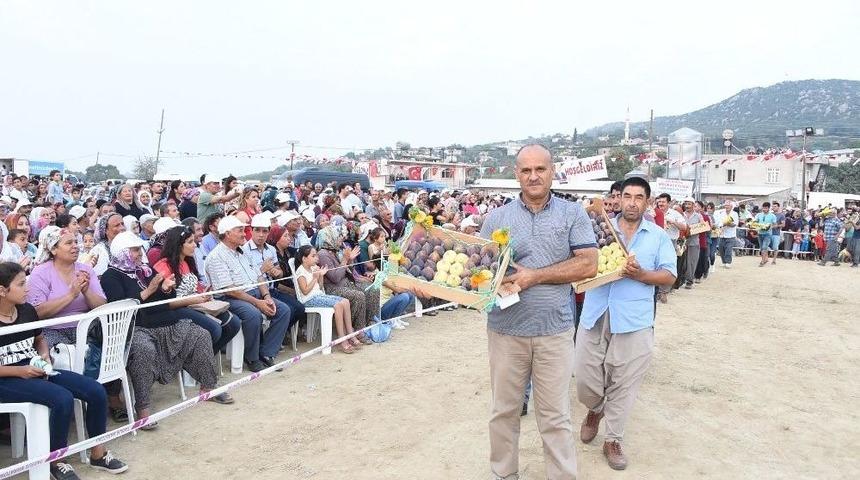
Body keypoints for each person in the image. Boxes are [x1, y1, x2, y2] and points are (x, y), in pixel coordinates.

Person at [479, 144, 598, 480]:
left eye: (540, 169)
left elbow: (589, 263)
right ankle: (503, 474)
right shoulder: (497, 218)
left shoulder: (572, 214)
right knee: (504, 411)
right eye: (526, 170)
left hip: (555, 331)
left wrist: (534, 276)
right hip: (505, 331)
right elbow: (480, 267)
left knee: (555, 416)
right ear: (516, 173)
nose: (533, 176)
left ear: (552, 171)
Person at [575, 177, 677, 471]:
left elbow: (669, 276)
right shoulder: (600, 227)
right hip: (595, 312)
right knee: (583, 376)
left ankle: (613, 439)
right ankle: (594, 409)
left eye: (638, 197)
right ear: (619, 199)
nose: (631, 202)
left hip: (634, 319)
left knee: (625, 381)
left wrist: (641, 275)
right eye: (627, 196)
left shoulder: (657, 236)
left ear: (647, 202)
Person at [0, 262, 130, 479]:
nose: (27, 289)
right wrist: (20, 371)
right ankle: (56, 460)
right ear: (2, 290)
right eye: (21, 284)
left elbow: (39, 339)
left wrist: (43, 354)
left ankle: (98, 452)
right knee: (62, 399)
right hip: (7, 378)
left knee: (95, 390)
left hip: (35, 368)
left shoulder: (26, 311)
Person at [101, 232, 233, 425]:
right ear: (122, 252)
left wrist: (164, 289)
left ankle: (208, 386)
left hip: (160, 322)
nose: (140, 254)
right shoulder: (110, 276)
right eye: (135, 250)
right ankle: (143, 409)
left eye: (139, 249)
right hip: (134, 328)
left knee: (200, 334)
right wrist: (150, 289)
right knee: (143, 349)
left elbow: (162, 303)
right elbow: (121, 309)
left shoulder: (144, 270)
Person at [204, 216, 292, 373]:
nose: (245, 234)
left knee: (283, 310)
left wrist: (266, 297)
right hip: (232, 298)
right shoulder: (216, 257)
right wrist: (257, 303)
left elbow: (259, 277)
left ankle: (266, 353)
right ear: (227, 233)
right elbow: (230, 290)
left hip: (254, 293)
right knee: (252, 314)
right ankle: (252, 357)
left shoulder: (242, 253)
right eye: (240, 231)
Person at [154, 226, 241, 354]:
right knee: (214, 329)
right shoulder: (163, 266)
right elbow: (165, 303)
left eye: (194, 241)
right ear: (178, 244)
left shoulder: (187, 261)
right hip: (177, 309)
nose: (195, 245)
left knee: (233, 323)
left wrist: (203, 293)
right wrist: (192, 300)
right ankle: (196, 361)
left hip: (193, 303)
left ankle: (207, 356)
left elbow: (192, 287)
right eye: (190, 242)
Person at [27, 227, 107, 347]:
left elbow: (102, 307)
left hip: (86, 328)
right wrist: (71, 295)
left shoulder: (86, 270)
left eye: (75, 242)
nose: (75, 246)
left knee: (97, 349)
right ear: (54, 249)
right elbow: (37, 312)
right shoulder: (40, 272)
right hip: (52, 330)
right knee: (62, 356)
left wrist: (86, 291)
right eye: (69, 243)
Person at [293, 245, 360, 354]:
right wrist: (315, 277)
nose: (316, 258)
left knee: (345, 301)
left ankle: (350, 334)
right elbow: (305, 291)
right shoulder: (300, 272)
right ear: (304, 259)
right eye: (313, 256)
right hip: (309, 299)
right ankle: (342, 340)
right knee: (338, 305)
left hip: (318, 295)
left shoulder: (313, 268)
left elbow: (319, 287)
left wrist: (320, 276)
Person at [680, 198, 702, 289]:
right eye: (686, 204)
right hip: (682, 242)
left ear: (693, 205)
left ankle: (689, 281)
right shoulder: (681, 215)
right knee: (683, 262)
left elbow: (702, 227)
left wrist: (691, 230)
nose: (687, 206)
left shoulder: (698, 216)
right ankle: (681, 280)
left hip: (694, 242)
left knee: (692, 262)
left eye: (689, 204)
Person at [712, 200, 739, 268]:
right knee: (721, 249)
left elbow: (735, 224)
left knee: (728, 249)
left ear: (731, 206)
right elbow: (719, 222)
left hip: (731, 235)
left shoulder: (735, 214)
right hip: (722, 234)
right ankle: (724, 261)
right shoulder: (721, 213)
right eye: (726, 205)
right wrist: (721, 225)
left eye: (728, 205)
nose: (727, 207)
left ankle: (728, 262)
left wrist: (728, 223)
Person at [754, 202, 777, 267]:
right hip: (760, 233)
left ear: (768, 208)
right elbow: (755, 222)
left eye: (766, 208)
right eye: (763, 208)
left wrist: (769, 227)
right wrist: (754, 225)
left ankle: (762, 261)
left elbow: (775, 225)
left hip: (768, 234)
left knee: (764, 247)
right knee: (762, 248)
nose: (764, 209)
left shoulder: (772, 216)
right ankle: (765, 259)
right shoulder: (759, 215)